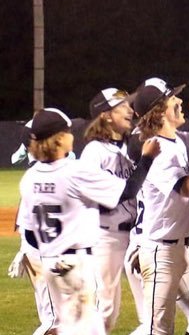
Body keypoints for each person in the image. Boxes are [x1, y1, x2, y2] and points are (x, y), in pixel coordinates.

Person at [16, 107, 144, 335]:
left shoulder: (29, 178)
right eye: (67, 132)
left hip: (51, 264)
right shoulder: (73, 171)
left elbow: (29, 234)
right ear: (58, 138)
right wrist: (149, 158)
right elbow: (126, 191)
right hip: (76, 267)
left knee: (71, 327)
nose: (71, 135)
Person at [80, 87, 160, 333]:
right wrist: (146, 160)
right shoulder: (94, 153)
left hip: (137, 235)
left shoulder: (130, 145)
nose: (129, 110)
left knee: (151, 310)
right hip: (106, 237)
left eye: (129, 104)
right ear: (105, 116)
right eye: (122, 106)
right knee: (105, 311)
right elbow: (123, 194)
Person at [133, 77, 189, 335]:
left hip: (180, 252)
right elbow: (186, 189)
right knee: (158, 330)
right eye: (171, 98)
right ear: (159, 111)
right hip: (160, 254)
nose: (178, 101)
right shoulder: (159, 149)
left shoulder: (173, 142)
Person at [8, 119, 57, 335]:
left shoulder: (42, 172)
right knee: (54, 320)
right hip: (42, 250)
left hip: (38, 244)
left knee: (55, 317)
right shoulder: (41, 174)